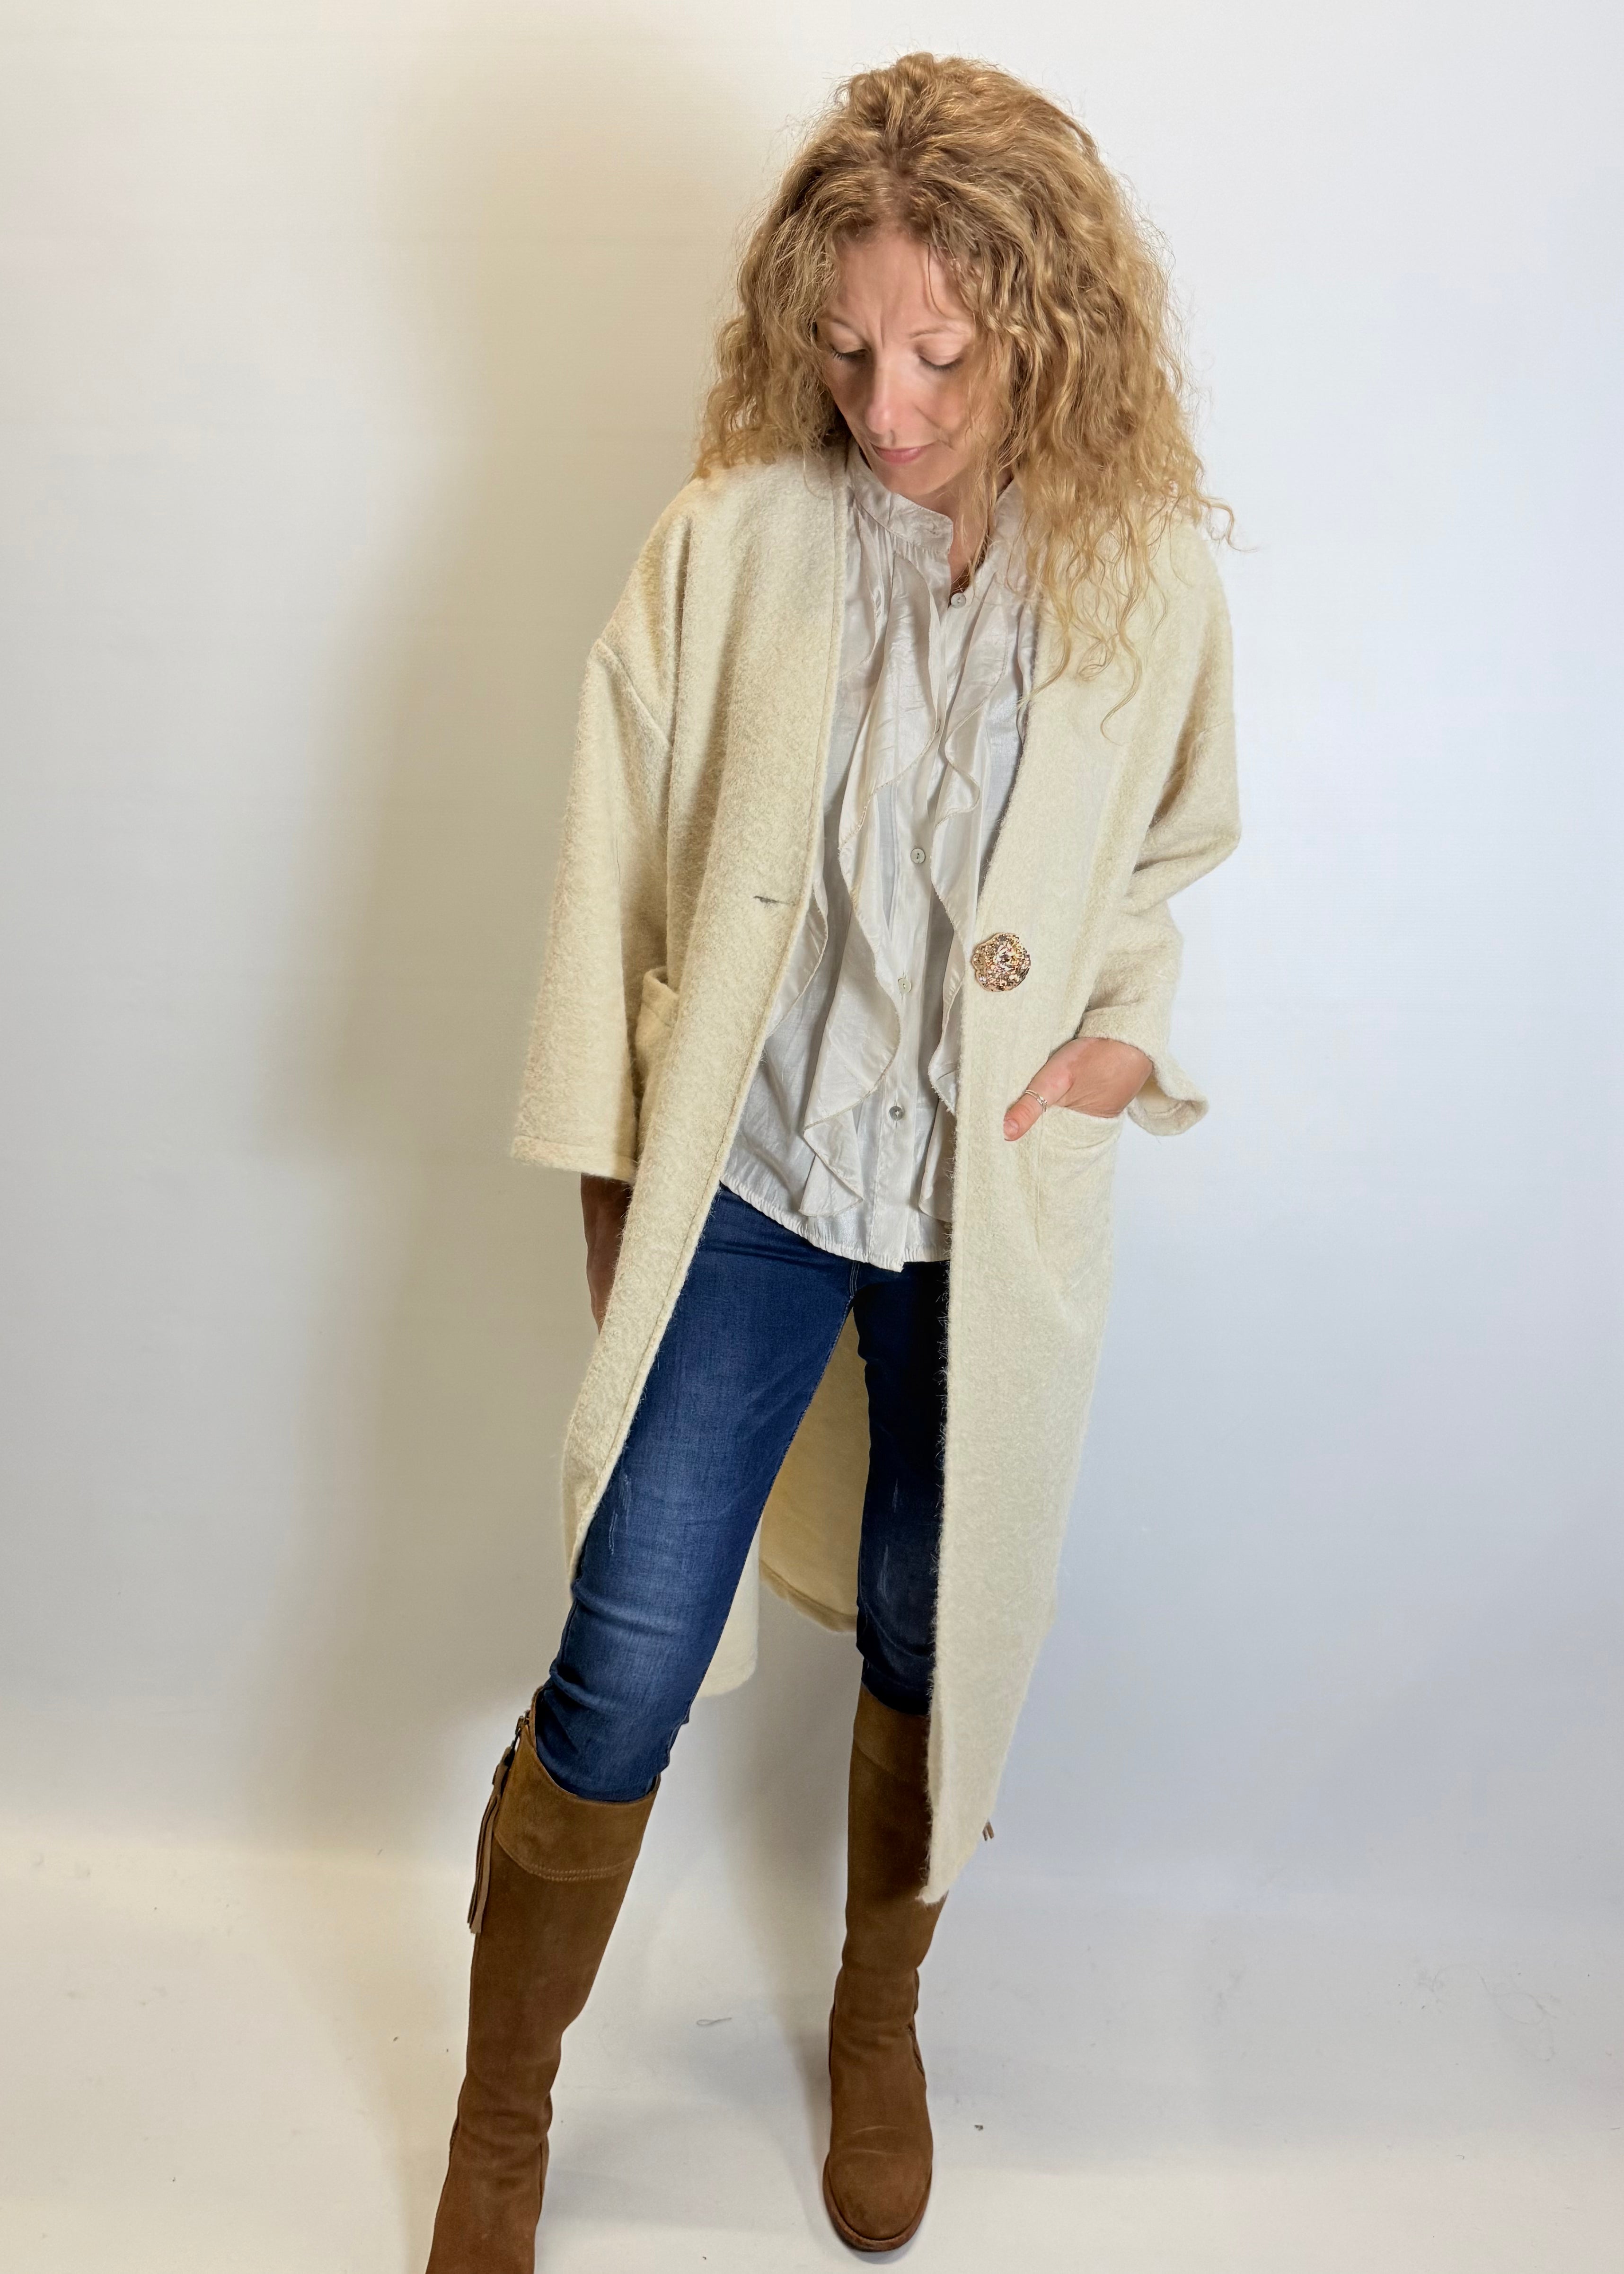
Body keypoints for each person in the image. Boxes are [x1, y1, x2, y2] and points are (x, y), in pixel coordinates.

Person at [424, 50, 1240, 2268]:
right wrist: (613, 1173)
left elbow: (1166, 856)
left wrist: (1110, 1044)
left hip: (990, 1210)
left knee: (929, 1621)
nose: (889, 399)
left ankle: (877, 2018)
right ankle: (503, 2113)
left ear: (1046, 327)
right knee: (628, 1636)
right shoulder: (737, 541)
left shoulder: (1146, 576)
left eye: (945, 354)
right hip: (761, 1189)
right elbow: (611, 866)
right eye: (855, 344)